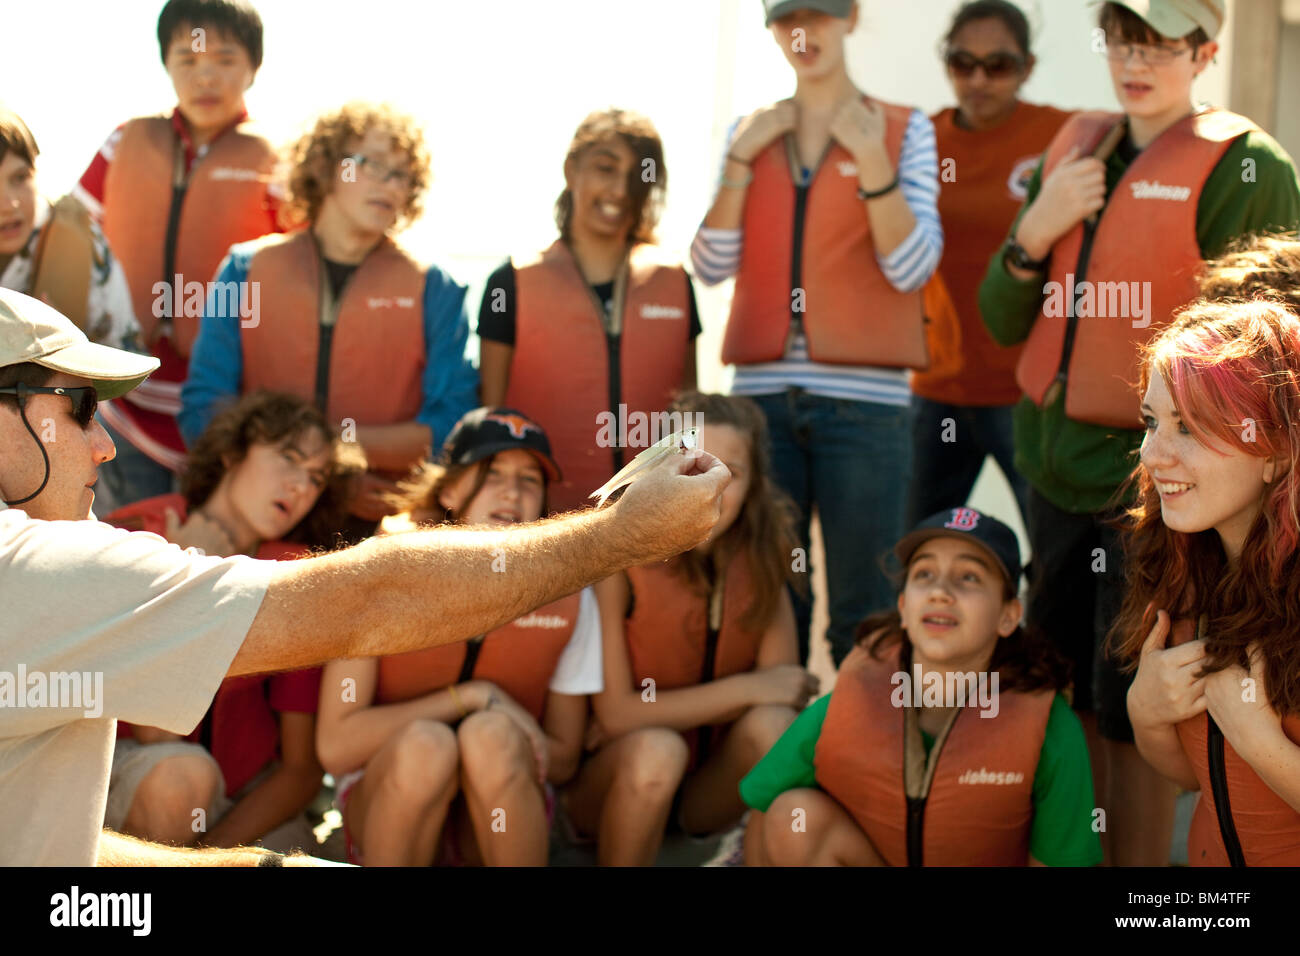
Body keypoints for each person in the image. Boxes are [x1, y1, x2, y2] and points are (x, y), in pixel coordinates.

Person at [0, 287, 729, 866]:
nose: (104, 446)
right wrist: (622, 534)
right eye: (81, 409)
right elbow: (368, 602)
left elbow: (48, 843)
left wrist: (254, 867)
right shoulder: (36, 568)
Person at [976, 0, 1300, 865]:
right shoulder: (1073, 151)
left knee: (1147, 698)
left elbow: (1261, 352)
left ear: (1206, 52)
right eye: (1123, 37)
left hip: (1163, 488)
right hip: (1052, 477)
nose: (1137, 57)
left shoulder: (1248, 166)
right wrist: (1032, 232)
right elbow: (1000, 320)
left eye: (1160, 41)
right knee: (1064, 693)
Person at [692, 0, 942, 668]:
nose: (804, 32)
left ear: (852, 17)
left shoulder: (904, 129)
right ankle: (783, 766)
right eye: (786, 17)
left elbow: (913, 265)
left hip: (867, 410)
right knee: (772, 604)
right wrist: (741, 160)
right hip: (763, 406)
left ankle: (862, 768)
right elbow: (710, 265)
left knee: (865, 612)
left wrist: (871, 161)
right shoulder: (750, 132)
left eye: (822, 13)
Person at [317, 407, 602, 866]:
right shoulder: (383, 576)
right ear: (449, 489)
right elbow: (334, 748)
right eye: (492, 473)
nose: (512, 491)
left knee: (491, 735)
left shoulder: (570, 597)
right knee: (427, 745)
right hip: (390, 796)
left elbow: (564, 761)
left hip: (490, 817)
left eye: (531, 480)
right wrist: (469, 697)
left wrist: (487, 725)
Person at [742, 507, 1101, 866]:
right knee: (794, 816)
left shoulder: (1050, 729)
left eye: (969, 578)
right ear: (902, 607)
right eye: (925, 573)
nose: (940, 592)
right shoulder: (843, 710)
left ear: (1008, 615)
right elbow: (763, 808)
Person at [181, 101, 478, 537]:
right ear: (325, 166)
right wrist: (301, 471)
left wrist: (336, 458)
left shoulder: (437, 288)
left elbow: (450, 426)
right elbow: (204, 405)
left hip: (374, 527)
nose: (391, 185)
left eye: (401, 176)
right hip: (254, 525)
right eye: (372, 165)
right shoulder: (244, 269)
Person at [563, 392, 819, 865]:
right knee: (658, 750)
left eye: (732, 473)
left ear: (756, 484)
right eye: (694, 464)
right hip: (616, 781)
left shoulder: (763, 564)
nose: (711, 484)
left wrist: (758, 694)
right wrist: (749, 688)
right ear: (657, 470)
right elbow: (617, 715)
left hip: (705, 795)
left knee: (775, 725)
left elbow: (780, 698)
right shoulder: (619, 562)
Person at [101, 391, 362, 852]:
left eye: (316, 478)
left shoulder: (297, 577)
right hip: (134, 775)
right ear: (231, 454)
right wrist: (199, 567)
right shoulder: (134, 534)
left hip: (239, 806)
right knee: (180, 780)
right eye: (288, 458)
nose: (301, 486)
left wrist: (214, 857)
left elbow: (300, 773)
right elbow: (155, 730)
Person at [73, 0, 283, 515]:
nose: (205, 77)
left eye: (225, 59)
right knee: (128, 547)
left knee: (210, 561)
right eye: (188, 61)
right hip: (123, 401)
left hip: (224, 409)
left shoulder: (278, 163)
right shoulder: (125, 143)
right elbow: (72, 237)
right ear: (167, 65)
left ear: (254, 68)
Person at [1116, 299, 1300, 865]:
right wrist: (1145, 711)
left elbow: (1246, 752)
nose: (1151, 453)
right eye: (1151, 421)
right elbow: (1202, 775)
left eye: (1188, 428)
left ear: (1275, 452)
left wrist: (1263, 744)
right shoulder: (1179, 566)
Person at [479, 108, 699, 514]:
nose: (620, 189)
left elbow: (689, 419)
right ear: (571, 170)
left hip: (652, 524)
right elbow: (489, 424)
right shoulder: (510, 281)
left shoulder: (675, 281)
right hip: (545, 526)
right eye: (605, 168)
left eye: (638, 176)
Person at [906, 0, 1069, 527]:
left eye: (997, 65)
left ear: (1027, 67)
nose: (978, 79)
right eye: (962, 63)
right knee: (911, 546)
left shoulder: (1062, 137)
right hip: (936, 385)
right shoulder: (919, 140)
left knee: (1050, 556)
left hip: (1026, 391)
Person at [0, 108, 140, 356]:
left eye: (20, 178)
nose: (8, 204)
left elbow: (126, 353)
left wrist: (69, 348)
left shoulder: (85, 243)